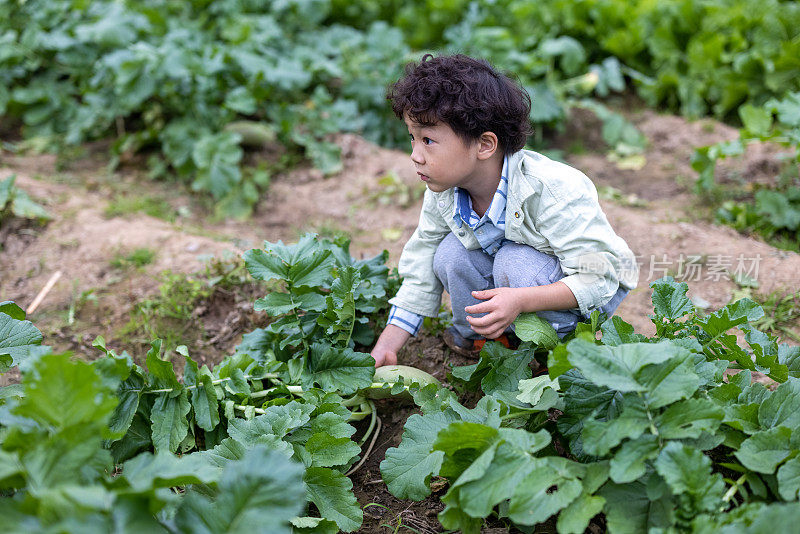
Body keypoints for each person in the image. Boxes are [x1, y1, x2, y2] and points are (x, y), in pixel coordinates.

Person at [370, 54, 638, 367]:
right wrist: (387, 344)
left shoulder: (553, 189)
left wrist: (521, 300)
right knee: (447, 254)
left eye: (428, 140)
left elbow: (598, 276)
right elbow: (421, 266)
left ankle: (555, 349)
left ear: (484, 145)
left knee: (515, 263)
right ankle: (488, 337)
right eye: (412, 138)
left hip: (586, 287)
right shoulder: (444, 192)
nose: (415, 155)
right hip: (514, 283)